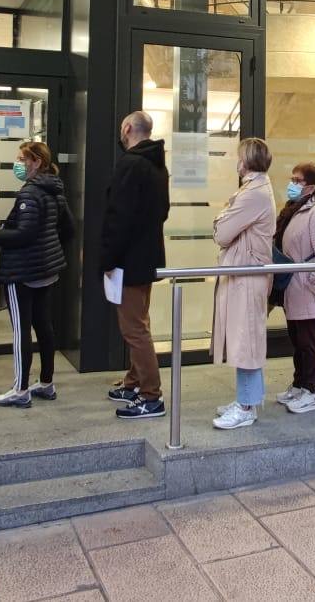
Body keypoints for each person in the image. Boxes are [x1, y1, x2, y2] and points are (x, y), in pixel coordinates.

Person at [0, 141, 73, 408]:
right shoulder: (55, 190)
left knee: (21, 331)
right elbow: (67, 229)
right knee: (44, 326)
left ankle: (20, 388)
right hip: (46, 269)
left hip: (22, 271)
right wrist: (46, 246)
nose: (18, 163)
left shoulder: (30, 194)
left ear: (36, 162)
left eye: (22, 158)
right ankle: (46, 383)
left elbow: (24, 234)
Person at [101, 111, 170, 420]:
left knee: (133, 329)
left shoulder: (130, 164)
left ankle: (151, 395)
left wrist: (108, 258)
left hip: (128, 260)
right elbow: (163, 211)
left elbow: (118, 218)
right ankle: (134, 381)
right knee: (139, 322)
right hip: (147, 256)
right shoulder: (157, 165)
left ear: (127, 128)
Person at [211, 138, 277, 429]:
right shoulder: (253, 189)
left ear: (247, 160)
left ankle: (246, 407)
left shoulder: (254, 193)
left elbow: (222, 232)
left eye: (239, 157)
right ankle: (247, 397)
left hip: (248, 276)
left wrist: (221, 217)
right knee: (243, 338)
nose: (236, 162)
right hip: (246, 274)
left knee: (246, 340)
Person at [274, 162, 315, 414]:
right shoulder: (292, 211)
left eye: (297, 180)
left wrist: (312, 285)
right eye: (292, 179)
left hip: (307, 288)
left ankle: (311, 390)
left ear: (311, 187)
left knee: (309, 340)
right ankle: (299, 383)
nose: (292, 184)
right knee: (297, 339)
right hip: (292, 287)